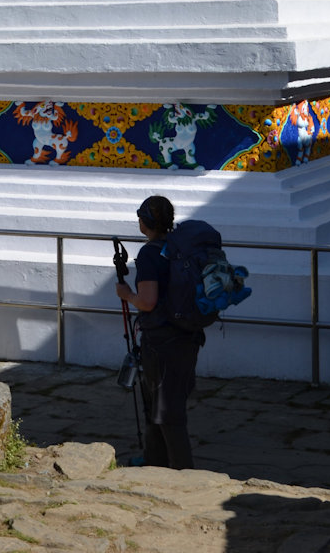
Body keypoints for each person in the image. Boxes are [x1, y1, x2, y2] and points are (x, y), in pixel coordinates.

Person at [114, 195, 203, 470]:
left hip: (162, 341)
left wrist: (127, 294)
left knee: (166, 411)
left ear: (144, 222)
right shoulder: (179, 247)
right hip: (187, 336)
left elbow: (148, 301)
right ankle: (154, 460)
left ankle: (181, 471)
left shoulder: (150, 254)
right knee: (156, 404)